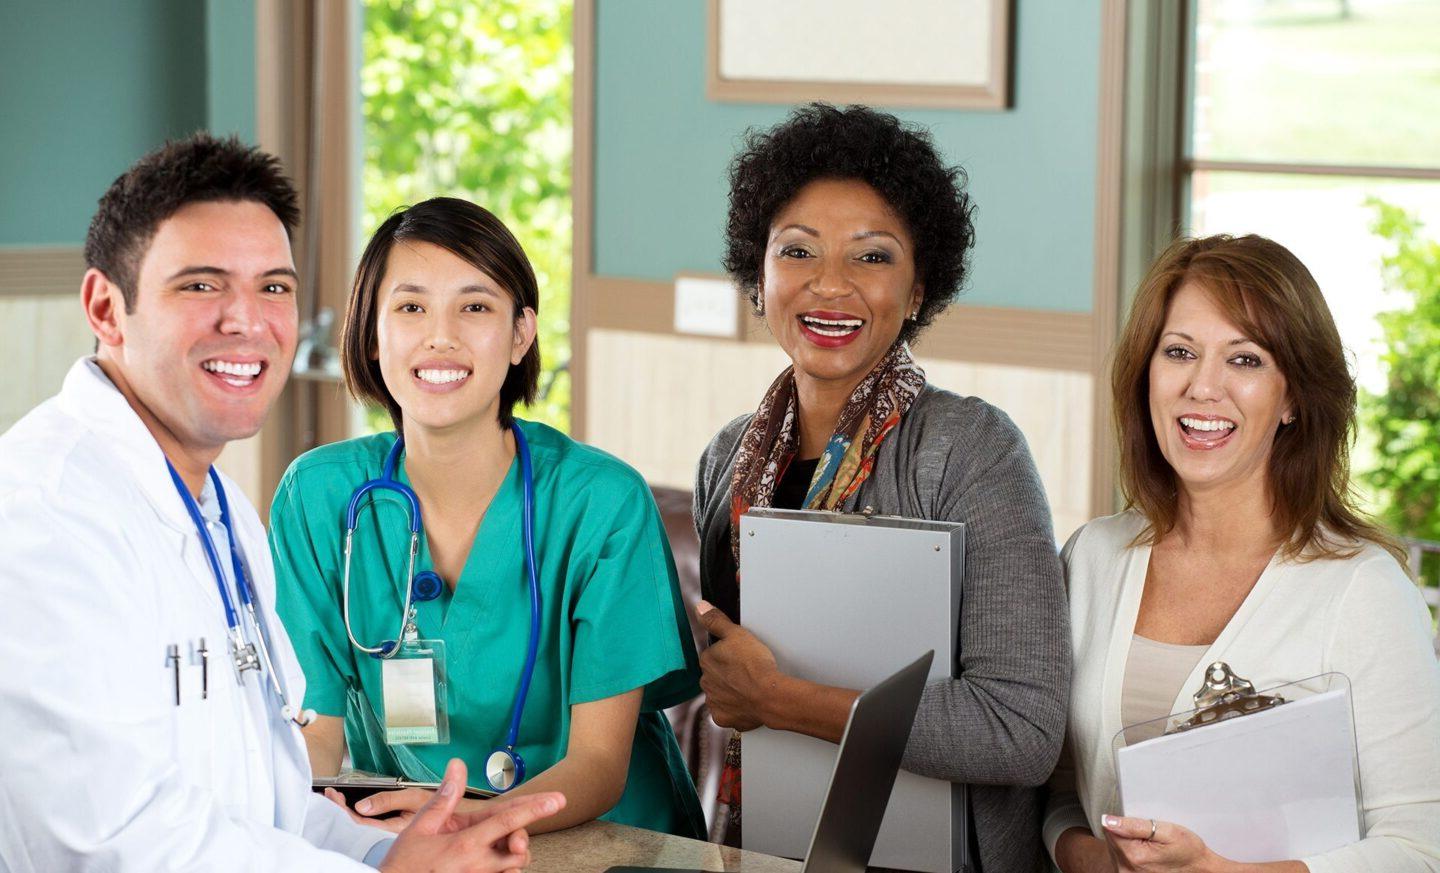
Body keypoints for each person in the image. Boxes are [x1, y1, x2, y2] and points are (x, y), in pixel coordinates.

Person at [0, 135, 564, 872]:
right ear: (107, 308)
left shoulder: (223, 510)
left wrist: (401, 849)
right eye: (201, 286)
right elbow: (108, 835)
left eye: (274, 286)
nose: (247, 320)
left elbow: (273, 802)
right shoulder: (45, 515)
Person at [690, 103, 1070, 872]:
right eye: (797, 251)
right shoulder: (728, 458)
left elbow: (1022, 730)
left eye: (871, 258)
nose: (830, 286)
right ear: (758, 276)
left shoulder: (973, 451)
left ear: (920, 286)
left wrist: (782, 702)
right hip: (765, 847)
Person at [269, 197, 705, 839]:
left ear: (520, 334)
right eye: (410, 307)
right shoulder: (318, 496)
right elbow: (316, 731)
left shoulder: (601, 502)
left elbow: (600, 765)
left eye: (475, 307)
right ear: (371, 331)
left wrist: (464, 820)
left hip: (606, 842)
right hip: (417, 842)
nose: (440, 336)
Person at [1045, 234, 1440, 872]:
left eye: (1246, 360)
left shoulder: (1364, 590)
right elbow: (1059, 790)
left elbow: (1421, 850)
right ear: (1147, 375)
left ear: (1293, 398)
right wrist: (1100, 862)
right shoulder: (1092, 558)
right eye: (1180, 352)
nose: (1204, 387)